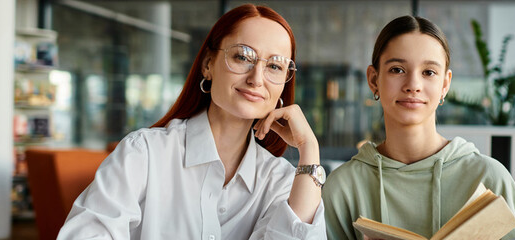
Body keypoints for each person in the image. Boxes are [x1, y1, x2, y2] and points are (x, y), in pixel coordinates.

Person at [58, 4, 327, 239]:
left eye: (275, 66)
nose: (257, 78)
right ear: (208, 64)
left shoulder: (279, 180)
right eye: (242, 57)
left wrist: (309, 148)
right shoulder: (145, 154)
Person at [322, 15, 515, 240]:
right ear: (374, 79)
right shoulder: (343, 188)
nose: (413, 85)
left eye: (429, 72)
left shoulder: (488, 177)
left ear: (445, 84)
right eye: (397, 69)